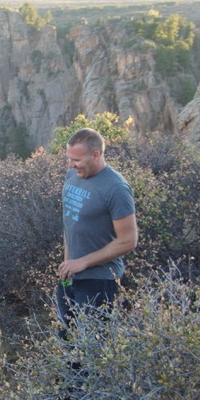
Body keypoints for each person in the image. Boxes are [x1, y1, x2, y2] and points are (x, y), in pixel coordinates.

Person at [57, 127, 138, 335]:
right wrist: (68, 264)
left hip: (100, 282)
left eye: (76, 160)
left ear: (96, 154)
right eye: (69, 158)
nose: (70, 165)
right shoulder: (72, 176)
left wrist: (82, 262)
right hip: (70, 277)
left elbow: (128, 240)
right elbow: (71, 223)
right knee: (69, 342)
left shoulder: (116, 188)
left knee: (91, 349)